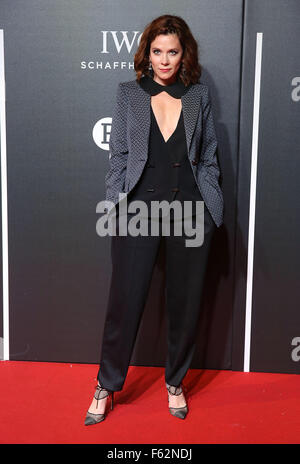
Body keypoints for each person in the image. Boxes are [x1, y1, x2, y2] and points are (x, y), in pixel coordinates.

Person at [84, 14, 224, 425]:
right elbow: (120, 157)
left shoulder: (198, 95)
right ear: (147, 53)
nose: (165, 60)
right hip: (138, 211)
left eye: (173, 52)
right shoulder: (129, 94)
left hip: (191, 213)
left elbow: (210, 153)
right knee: (124, 304)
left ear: (185, 55)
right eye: (158, 51)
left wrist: (211, 207)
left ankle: (175, 382)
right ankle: (105, 385)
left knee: (185, 304)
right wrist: (114, 203)